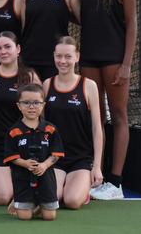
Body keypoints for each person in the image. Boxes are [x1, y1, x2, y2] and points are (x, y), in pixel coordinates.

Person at [77, 0, 137, 200]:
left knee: (119, 116)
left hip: (114, 58)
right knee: (96, 117)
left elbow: (132, 24)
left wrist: (126, 64)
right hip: (89, 58)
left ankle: (115, 182)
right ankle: (96, 174)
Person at [0, 31, 40, 206]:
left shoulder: (29, 77)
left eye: (8, 47)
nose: (3, 51)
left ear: (18, 49)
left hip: (22, 145)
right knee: (2, 198)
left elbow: (39, 115)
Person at [43, 36, 103, 209]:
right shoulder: (47, 84)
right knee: (53, 199)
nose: (63, 61)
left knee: (72, 201)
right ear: (54, 56)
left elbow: (97, 128)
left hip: (81, 159)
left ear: (77, 56)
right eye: (59, 56)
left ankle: (82, 190)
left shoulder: (88, 86)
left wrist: (97, 167)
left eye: (68, 56)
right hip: (55, 158)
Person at [4, 83, 64, 221]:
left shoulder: (50, 129)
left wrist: (44, 165)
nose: (32, 107)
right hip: (23, 180)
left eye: (36, 103)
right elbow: (10, 156)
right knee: (24, 217)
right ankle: (19, 202)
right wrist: (25, 163)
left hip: (46, 179)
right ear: (19, 106)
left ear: (43, 105)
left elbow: (56, 154)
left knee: (49, 217)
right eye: (26, 103)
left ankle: (39, 205)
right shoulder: (14, 131)